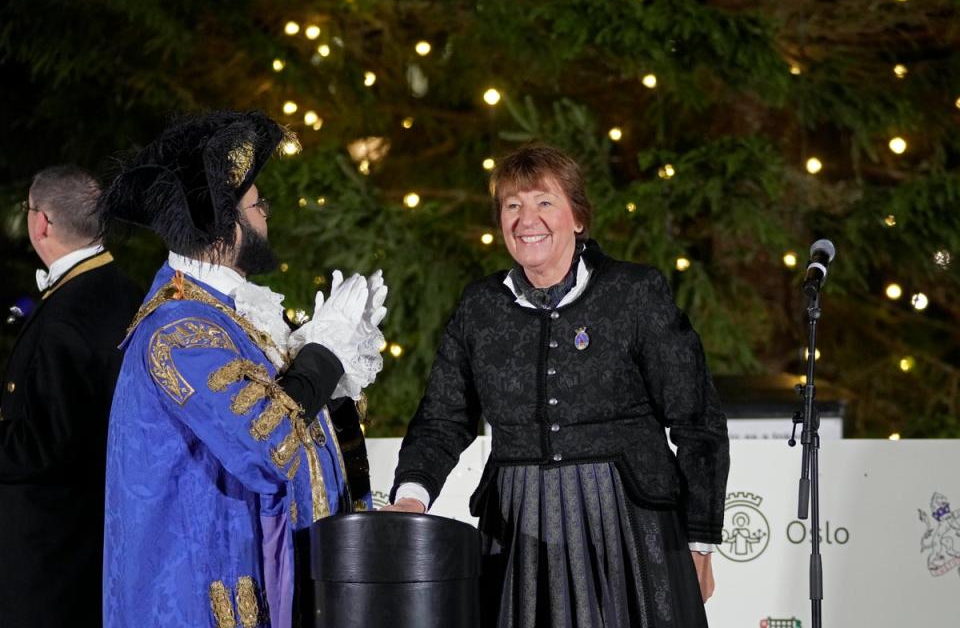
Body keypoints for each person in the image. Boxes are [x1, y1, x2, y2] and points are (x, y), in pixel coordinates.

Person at [386, 144, 729, 627]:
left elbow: (698, 420)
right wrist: (411, 496)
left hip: (632, 528)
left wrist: (699, 539)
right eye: (513, 205)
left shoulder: (634, 293)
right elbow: (443, 416)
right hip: (519, 527)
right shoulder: (480, 308)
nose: (528, 219)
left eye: (544, 201)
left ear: (578, 218)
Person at [98, 110, 385, 628]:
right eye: (257, 206)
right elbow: (269, 443)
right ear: (223, 229)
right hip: (200, 594)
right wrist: (321, 353)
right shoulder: (180, 330)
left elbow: (304, 439)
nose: (265, 218)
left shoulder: (228, 317)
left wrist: (333, 370)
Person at [0, 166, 142, 627]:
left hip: (52, 559)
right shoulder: (124, 290)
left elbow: (45, 446)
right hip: (100, 545)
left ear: (41, 223)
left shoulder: (66, 315)